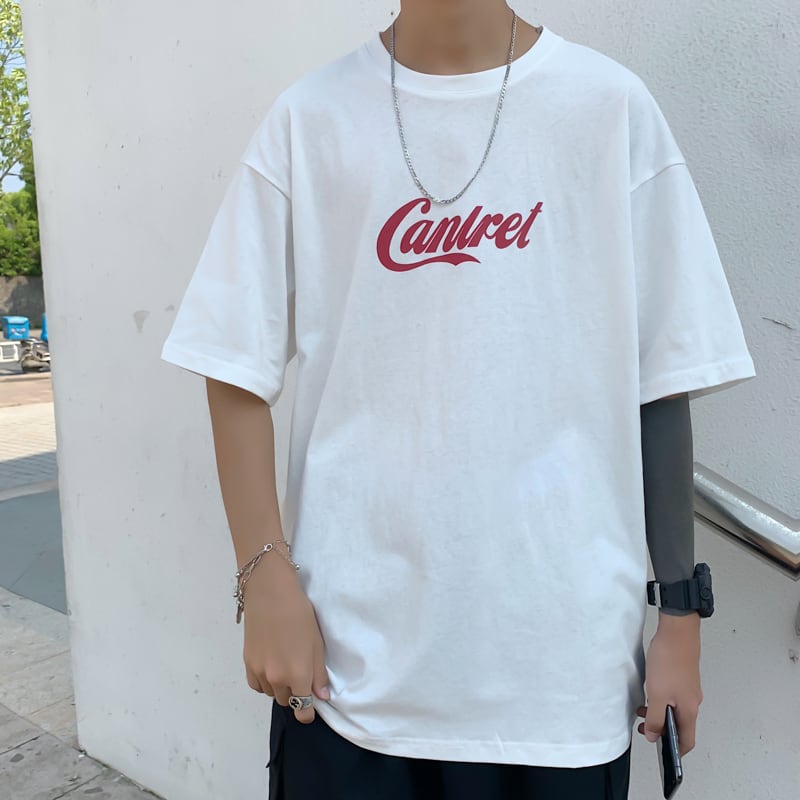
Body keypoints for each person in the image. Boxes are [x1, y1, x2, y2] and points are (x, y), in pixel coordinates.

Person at [161, 2, 756, 798]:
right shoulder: (310, 119)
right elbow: (233, 358)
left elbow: (662, 380)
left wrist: (679, 615)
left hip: (561, 680)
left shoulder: (609, 108)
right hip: (350, 677)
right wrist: (264, 576)